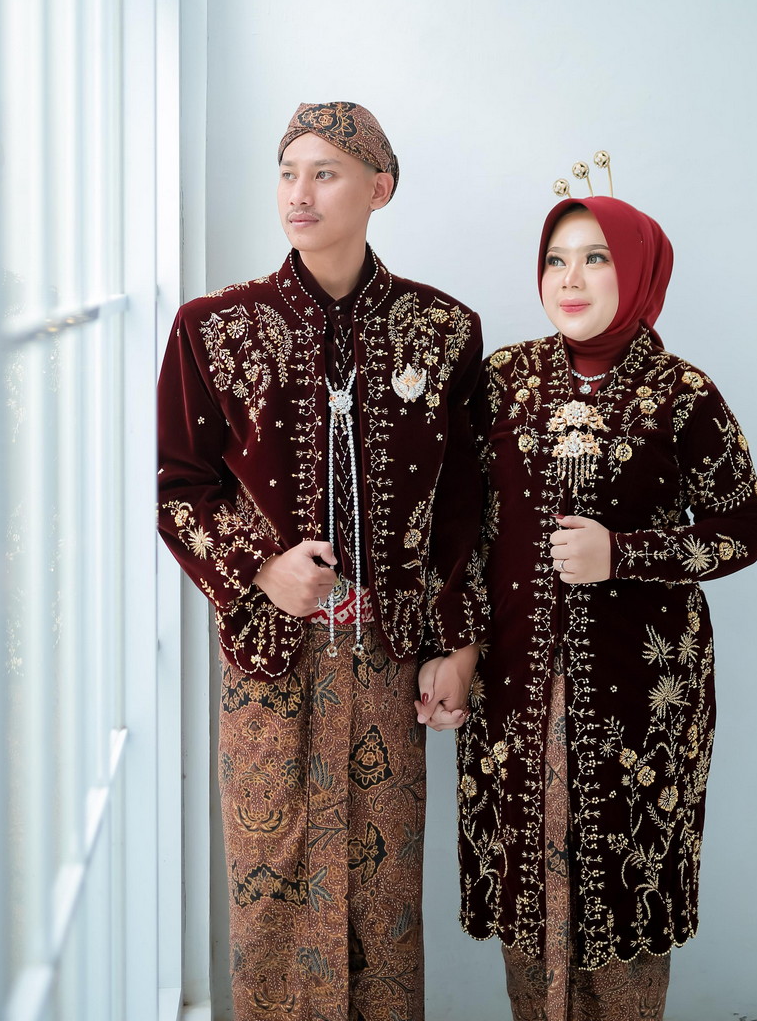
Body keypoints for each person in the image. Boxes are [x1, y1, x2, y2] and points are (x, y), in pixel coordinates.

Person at [157, 100, 486, 1021]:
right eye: (286, 172)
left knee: (384, 903)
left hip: (390, 661)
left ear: (379, 189)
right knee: (270, 888)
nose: (297, 194)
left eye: (324, 173)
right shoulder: (212, 326)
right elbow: (178, 487)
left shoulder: (444, 331)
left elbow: (468, 509)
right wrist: (262, 567)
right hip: (269, 663)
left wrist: (458, 646)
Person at [456, 181, 757, 1021]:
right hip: (513, 686)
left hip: (641, 695)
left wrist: (622, 554)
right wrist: (454, 646)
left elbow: (742, 530)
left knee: (624, 890)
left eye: (594, 259)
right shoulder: (502, 380)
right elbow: (461, 527)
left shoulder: (682, 394)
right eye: (555, 260)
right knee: (528, 884)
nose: (569, 279)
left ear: (636, 273)